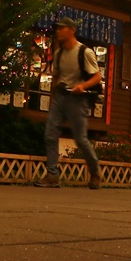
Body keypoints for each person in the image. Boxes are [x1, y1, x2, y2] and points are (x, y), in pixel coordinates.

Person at [34, 17, 102, 189]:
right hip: (61, 97)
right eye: (57, 28)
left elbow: (97, 77)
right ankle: (52, 176)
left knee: (80, 139)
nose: (57, 31)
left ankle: (95, 172)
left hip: (78, 99)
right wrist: (53, 94)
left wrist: (82, 86)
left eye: (61, 28)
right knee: (50, 134)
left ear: (71, 30)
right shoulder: (58, 54)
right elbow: (56, 75)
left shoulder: (84, 52)